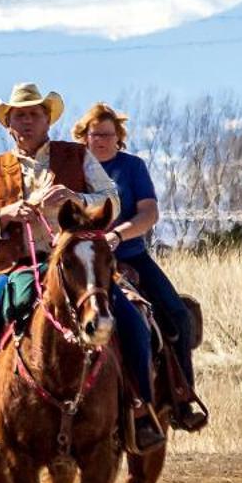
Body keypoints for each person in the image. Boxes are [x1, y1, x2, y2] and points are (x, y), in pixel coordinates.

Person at [0, 82, 164, 455]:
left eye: (34, 114)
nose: (27, 121)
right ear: (8, 124)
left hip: (77, 262)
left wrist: (75, 198)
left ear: (48, 120)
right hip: (20, 268)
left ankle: (139, 408)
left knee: (130, 318)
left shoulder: (77, 157)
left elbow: (111, 197)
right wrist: (6, 215)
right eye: (19, 115)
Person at [75, 102, 208, 431]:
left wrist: (119, 235)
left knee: (177, 313)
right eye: (96, 134)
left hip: (129, 254)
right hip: (84, 259)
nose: (102, 140)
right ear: (85, 137)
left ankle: (181, 396)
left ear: (119, 137)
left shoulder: (132, 167)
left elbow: (149, 213)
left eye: (109, 134)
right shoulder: (73, 167)